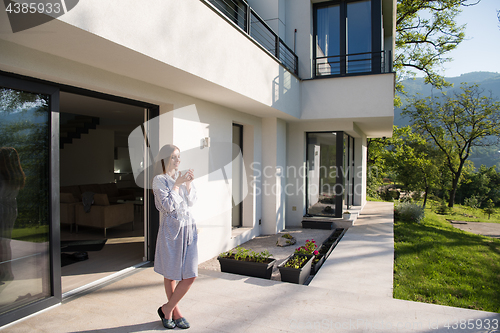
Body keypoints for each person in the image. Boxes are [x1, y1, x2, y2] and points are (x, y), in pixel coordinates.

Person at [152, 144, 197, 330]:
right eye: (174, 157)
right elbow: (168, 206)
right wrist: (177, 185)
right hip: (172, 230)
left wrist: (187, 183)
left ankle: (166, 308)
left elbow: (192, 201)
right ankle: (175, 313)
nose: (178, 160)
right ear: (165, 160)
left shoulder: (181, 178)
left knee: (190, 274)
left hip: (189, 229)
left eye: (179, 157)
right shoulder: (159, 180)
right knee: (171, 274)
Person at [0, 147, 25, 287]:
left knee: (2, 243)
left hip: (2, 210)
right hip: (11, 210)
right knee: (5, 243)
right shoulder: (16, 175)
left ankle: (5, 273)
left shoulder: (3, 176)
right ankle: (6, 272)